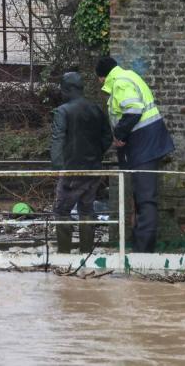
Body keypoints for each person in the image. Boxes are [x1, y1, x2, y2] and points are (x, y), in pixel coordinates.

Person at [95, 56, 175, 253]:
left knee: (146, 198)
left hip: (144, 145)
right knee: (142, 197)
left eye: (98, 79)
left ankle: (143, 253)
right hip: (146, 143)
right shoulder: (130, 76)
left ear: (103, 77)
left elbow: (133, 111)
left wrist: (119, 136)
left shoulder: (120, 83)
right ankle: (141, 246)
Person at [50, 71, 113, 254]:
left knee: (62, 210)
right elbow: (107, 136)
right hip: (94, 169)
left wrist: (57, 167)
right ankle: (86, 253)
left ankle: (64, 255)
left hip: (72, 170)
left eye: (62, 89)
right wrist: (96, 154)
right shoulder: (96, 109)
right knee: (86, 209)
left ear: (68, 89)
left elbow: (57, 139)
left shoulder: (63, 111)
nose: (61, 93)